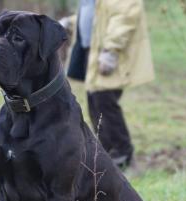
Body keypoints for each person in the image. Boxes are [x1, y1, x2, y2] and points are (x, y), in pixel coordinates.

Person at [60, 0, 154, 168]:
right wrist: (71, 23)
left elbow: (124, 19)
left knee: (105, 101)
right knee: (94, 101)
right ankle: (108, 153)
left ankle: (123, 154)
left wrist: (111, 50)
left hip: (108, 53)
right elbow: (93, 13)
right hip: (94, 50)